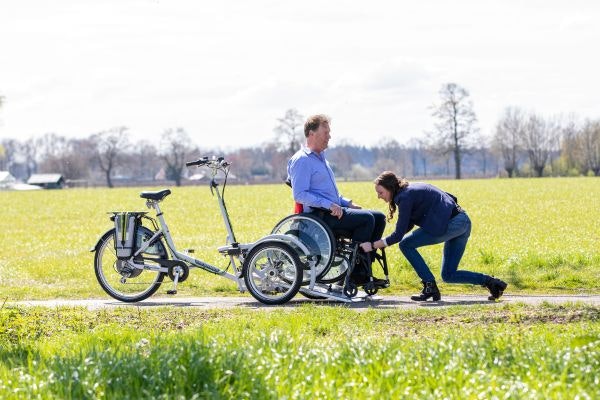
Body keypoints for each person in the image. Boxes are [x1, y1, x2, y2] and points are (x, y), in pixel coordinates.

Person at [359, 171, 508, 301]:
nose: (379, 196)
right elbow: (406, 227)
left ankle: (429, 285)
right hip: (463, 221)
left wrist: (372, 245)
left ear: (390, 188)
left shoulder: (405, 197)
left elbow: (399, 236)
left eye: (380, 192)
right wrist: (385, 240)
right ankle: (492, 283)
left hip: (452, 224)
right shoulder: (409, 190)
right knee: (448, 275)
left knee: (405, 244)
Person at [287, 114, 387, 282]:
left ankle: (364, 269)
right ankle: (354, 274)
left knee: (379, 217)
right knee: (367, 220)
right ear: (312, 134)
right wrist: (330, 205)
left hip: (331, 211)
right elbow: (300, 194)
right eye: (325, 132)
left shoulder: (321, 160)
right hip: (319, 217)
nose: (329, 136)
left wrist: (347, 203)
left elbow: (328, 194)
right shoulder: (302, 160)